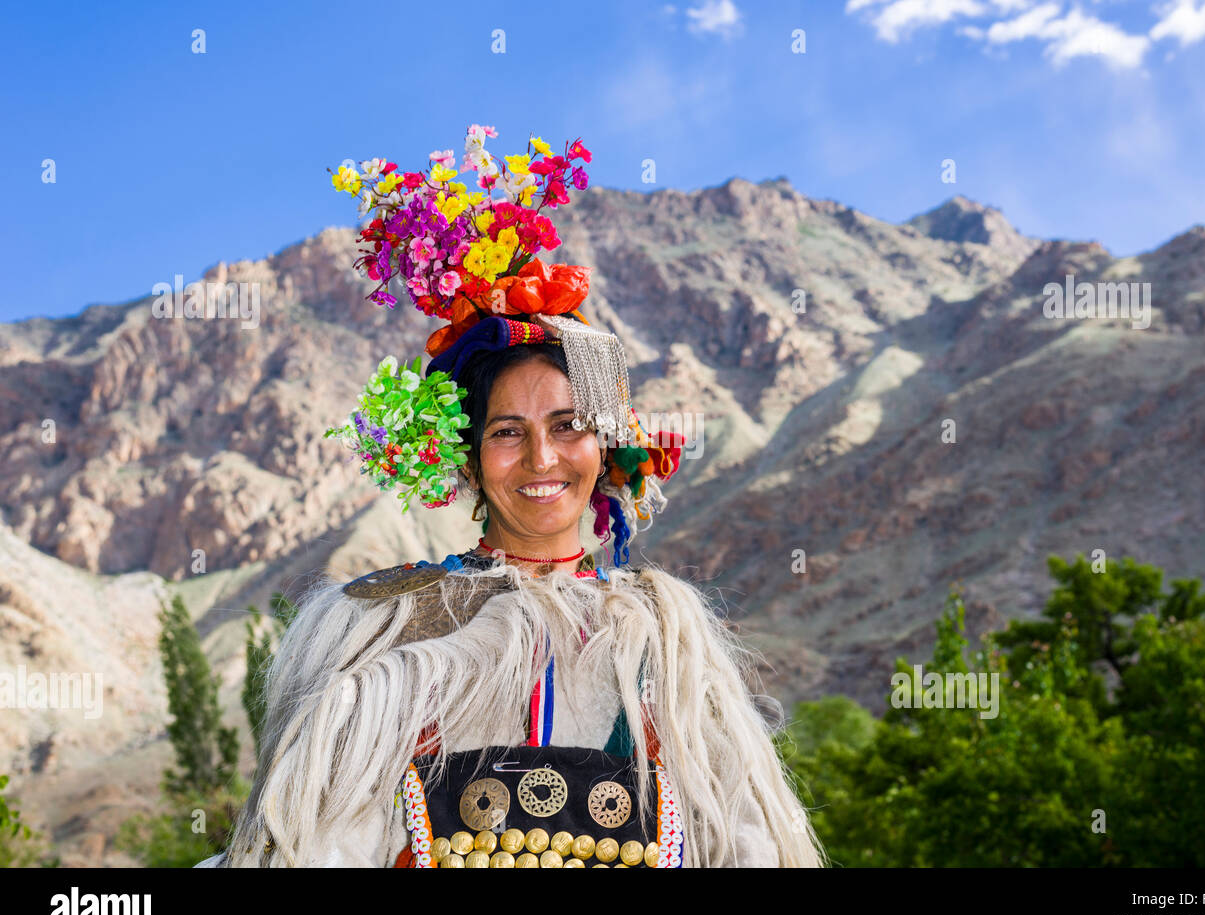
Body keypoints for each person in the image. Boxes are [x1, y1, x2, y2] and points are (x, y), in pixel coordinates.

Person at [199, 125, 822, 868]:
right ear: (466, 456)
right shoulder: (381, 627)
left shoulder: (668, 640)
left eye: (568, 426)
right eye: (506, 431)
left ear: (606, 447)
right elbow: (310, 842)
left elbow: (744, 841)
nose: (542, 457)